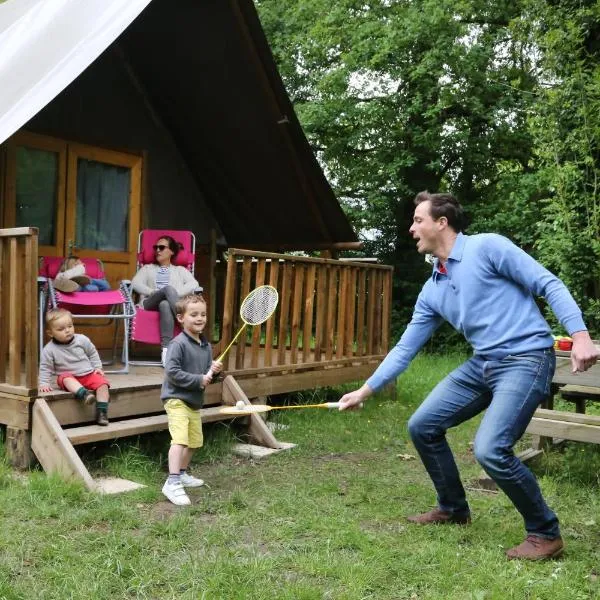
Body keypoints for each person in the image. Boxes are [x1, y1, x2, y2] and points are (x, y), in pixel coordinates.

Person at [339, 191, 600, 560]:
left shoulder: (487, 247)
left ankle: (545, 533)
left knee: (491, 449)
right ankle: (453, 508)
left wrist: (580, 336)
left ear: (441, 223)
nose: (412, 228)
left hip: (526, 358)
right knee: (422, 425)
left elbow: (548, 283)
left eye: (418, 220)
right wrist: (365, 390)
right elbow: (404, 349)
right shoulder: (433, 289)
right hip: (484, 364)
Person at [160, 294, 223, 506]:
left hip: (194, 401)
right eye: (194, 314)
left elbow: (206, 377)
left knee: (195, 442)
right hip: (176, 399)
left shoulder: (205, 346)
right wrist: (199, 379)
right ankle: (172, 482)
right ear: (180, 318)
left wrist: (214, 373)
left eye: (203, 314)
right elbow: (172, 372)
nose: (200, 318)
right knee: (180, 439)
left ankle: (182, 473)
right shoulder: (178, 344)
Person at [131, 235, 202, 366]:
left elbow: (193, 283)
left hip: (169, 304)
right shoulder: (147, 268)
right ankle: (188, 327)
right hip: (149, 303)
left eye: (162, 247)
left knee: (165, 304)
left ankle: (166, 351)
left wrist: (173, 293)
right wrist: (154, 292)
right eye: (156, 247)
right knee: (167, 290)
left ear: (172, 251)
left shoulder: (180, 270)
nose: (158, 250)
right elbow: (135, 283)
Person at [38, 308, 111, 426]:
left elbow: (92, 353)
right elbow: (45, 367)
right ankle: (85, 395)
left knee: (103, 385)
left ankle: (102, 412)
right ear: (50, 333)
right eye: (61, 329)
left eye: (70, 326)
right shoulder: (49, 349)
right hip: (69, 378)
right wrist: (44, 383)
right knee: (65, 378)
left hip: (88, 374)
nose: (67, 331)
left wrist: (98, 367)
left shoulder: (82, 340)